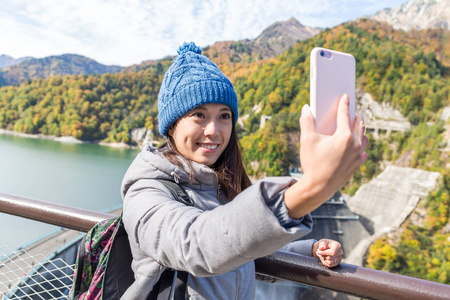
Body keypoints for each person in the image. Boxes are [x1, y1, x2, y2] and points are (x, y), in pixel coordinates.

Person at [121, 42, 368, 299]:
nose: (213, 130)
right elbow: (196, 246)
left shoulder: (220, 185)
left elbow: (242, 248)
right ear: (171, 125)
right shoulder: (145, 190)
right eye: (199, 115)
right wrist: (312, 188)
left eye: (224, 116)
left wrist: (310, 251)